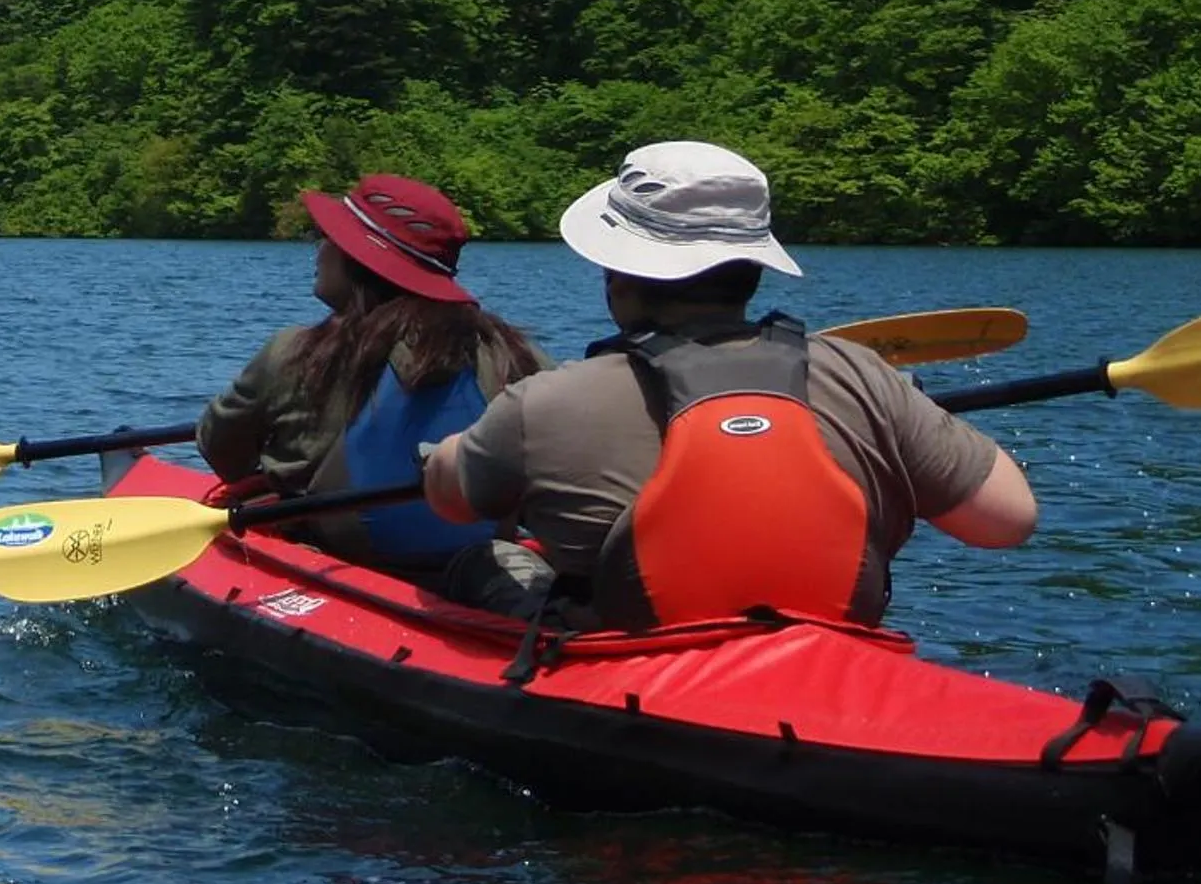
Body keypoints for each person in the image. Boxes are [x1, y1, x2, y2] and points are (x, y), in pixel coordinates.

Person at [421, 140, 1036, 628]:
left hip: (630, 671)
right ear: (752, 269)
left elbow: (450, 504)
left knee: (483, 558)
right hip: (823, 650)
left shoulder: (545, 402)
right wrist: (907, 417)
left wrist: (446, 456)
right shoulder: (861, 376)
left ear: (619, 273)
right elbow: (1006, 520)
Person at [199, 173, 548, 578]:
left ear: (357, 259)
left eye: (328, 237)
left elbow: (220, 449)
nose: (318, 249)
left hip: (344, 564)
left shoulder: (293, 353)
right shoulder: (519, 355)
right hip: (473, 563)